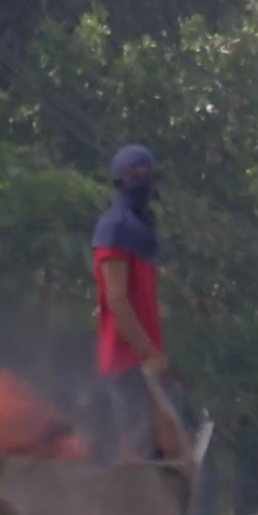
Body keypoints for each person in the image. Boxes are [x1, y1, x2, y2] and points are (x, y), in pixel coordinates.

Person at [91, 144, 168, 462]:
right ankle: (130, 510)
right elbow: (117, 300)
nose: (143, 182)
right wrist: (146, 352)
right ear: (120, 181)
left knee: (160, 446)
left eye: (147, 175)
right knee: (137, 447)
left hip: (144, 361)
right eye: (135, 176)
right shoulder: (114, 228)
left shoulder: (140, 227)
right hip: (125, 361)